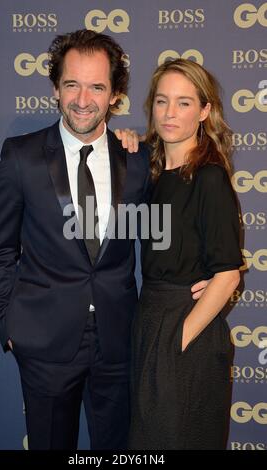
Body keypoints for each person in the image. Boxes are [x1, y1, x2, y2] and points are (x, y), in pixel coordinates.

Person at [0, 30, 206, 450]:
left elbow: (173, 224)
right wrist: (8, 325)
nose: (83, 99)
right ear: (55, 88)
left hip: (118, 341)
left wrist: (214, 273)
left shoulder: (138, 158)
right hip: (42, 342)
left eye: (97, 87)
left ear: (115, 95)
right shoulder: (20, 157)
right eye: (72, 84)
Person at [129, 59, 243, 450]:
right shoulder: (153, 173)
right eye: (162, 102)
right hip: (149, 322)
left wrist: (178, 339)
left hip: (185, 332)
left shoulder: (208, 178)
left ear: (205, 111)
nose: (170, 113)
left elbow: (228, 274)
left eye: (183, 103)